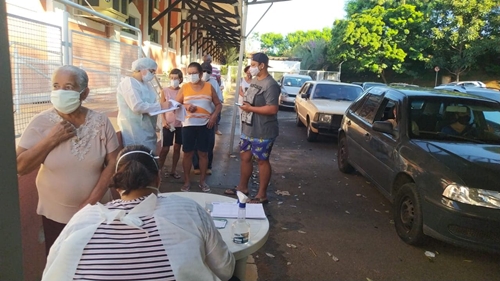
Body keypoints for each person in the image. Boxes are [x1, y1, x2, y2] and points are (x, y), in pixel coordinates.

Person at [42, 145, 235, 281]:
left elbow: (51, 271)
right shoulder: (189, 210)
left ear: (118, 185)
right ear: (158, 179)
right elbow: (225, 270)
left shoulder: (83, 219)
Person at [16, 65, 120, 254]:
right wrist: (51, 139)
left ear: (84, 92)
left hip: (96, 211)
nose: (60, 92)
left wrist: (91, 202)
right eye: (56, 86)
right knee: (62, 262)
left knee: (97, 260)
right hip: (55, 215)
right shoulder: (40, 122)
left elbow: (113, 162)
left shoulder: (101, 122)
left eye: (69, 87)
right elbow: (20, 167)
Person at [224, 53, 280, 204]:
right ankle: (242, 188)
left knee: (262, 160)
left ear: (262, 65)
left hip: (263, 131)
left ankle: (262, 195)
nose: (251, 68)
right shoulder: (255, 80)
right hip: (248, 128)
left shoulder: (271, 85)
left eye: (254, 65)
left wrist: (251, 109)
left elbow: (273, 109)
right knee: (245, 157)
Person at [175, 62, 222, 192]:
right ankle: (186, 181)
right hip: (188, 125)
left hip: (205, 125)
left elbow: (218, 104)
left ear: (201, 74)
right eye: (189, 73)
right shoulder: (184, 87)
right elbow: (176, 105)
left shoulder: (209, 87)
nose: (191, 76)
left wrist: (213, 116)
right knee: (187, 154)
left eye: (194, 73)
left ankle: (202, 181)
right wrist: (186, 106)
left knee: (203, 153)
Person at [116, 57, 170, 152]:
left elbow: (152, 103)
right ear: (141, 69)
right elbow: (137, 106)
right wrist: (161, 106)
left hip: (148, 129)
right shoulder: (129, 83)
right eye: (151, 71)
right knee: (137, 157)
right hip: (134, 130)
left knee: (148, 157)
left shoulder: (146, 85)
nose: (153, 74)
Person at [192, 63, 223, 176]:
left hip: (209, 118)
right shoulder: (191, 84)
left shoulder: (213, 84)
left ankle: (208, 166)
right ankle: (196, 166)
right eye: (204, 71)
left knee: (208, 143)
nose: (206, 74)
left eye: (208, 72)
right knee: (195, 144)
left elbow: (219, 102)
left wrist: (214, 116)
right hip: (194, 119)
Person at [158, 68, 183, 179]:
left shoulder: (183, 91)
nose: (173, 80)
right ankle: (159, 170)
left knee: (177, 148)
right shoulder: (164, 91)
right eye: (172, 78)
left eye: (176, 78)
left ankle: (173, 170)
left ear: (180, 79)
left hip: (180, 124)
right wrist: (163, 121)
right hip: (168, 124)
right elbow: (161, 108)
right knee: (165, 149)